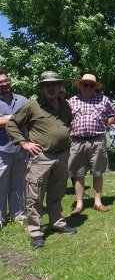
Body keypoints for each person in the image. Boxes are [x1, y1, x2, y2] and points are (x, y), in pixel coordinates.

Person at [6, 71, 76, 248]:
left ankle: (58, 223)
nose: (51, 88)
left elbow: (66, 124)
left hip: (62, 155)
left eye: (54, 84)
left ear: (59, 86)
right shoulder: (32, 106)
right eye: (47, 85)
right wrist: (24, 143)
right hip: (41, 157)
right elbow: (12, 123)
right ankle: (36, 232)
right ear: (42, 87)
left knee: (57, 192)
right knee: (35, 195)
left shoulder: (65, 105)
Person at [68, 74, 115, 215]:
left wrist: (105, 123)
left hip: (97, 140)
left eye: (91, 85)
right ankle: (79, 204)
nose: (88, 87)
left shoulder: (104, 99)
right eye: (85, 84)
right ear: (80, 86)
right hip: (77, 141)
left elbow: (114, 114)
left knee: (97, 172)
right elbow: (65, 119)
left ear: (95, 87)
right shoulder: (72, 101)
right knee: (78, 173)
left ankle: (98, 202)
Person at [0, 70, 29, 230]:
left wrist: (7, 119)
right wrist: (16, 118)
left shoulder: (22, 100)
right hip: (2, 150)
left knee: (19, 184)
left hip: (21, 149)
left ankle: (18, 214)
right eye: (0, 82)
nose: (4, 84)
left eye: (6, 80)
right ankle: (0, 218)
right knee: (1, 185)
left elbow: (30, 116)